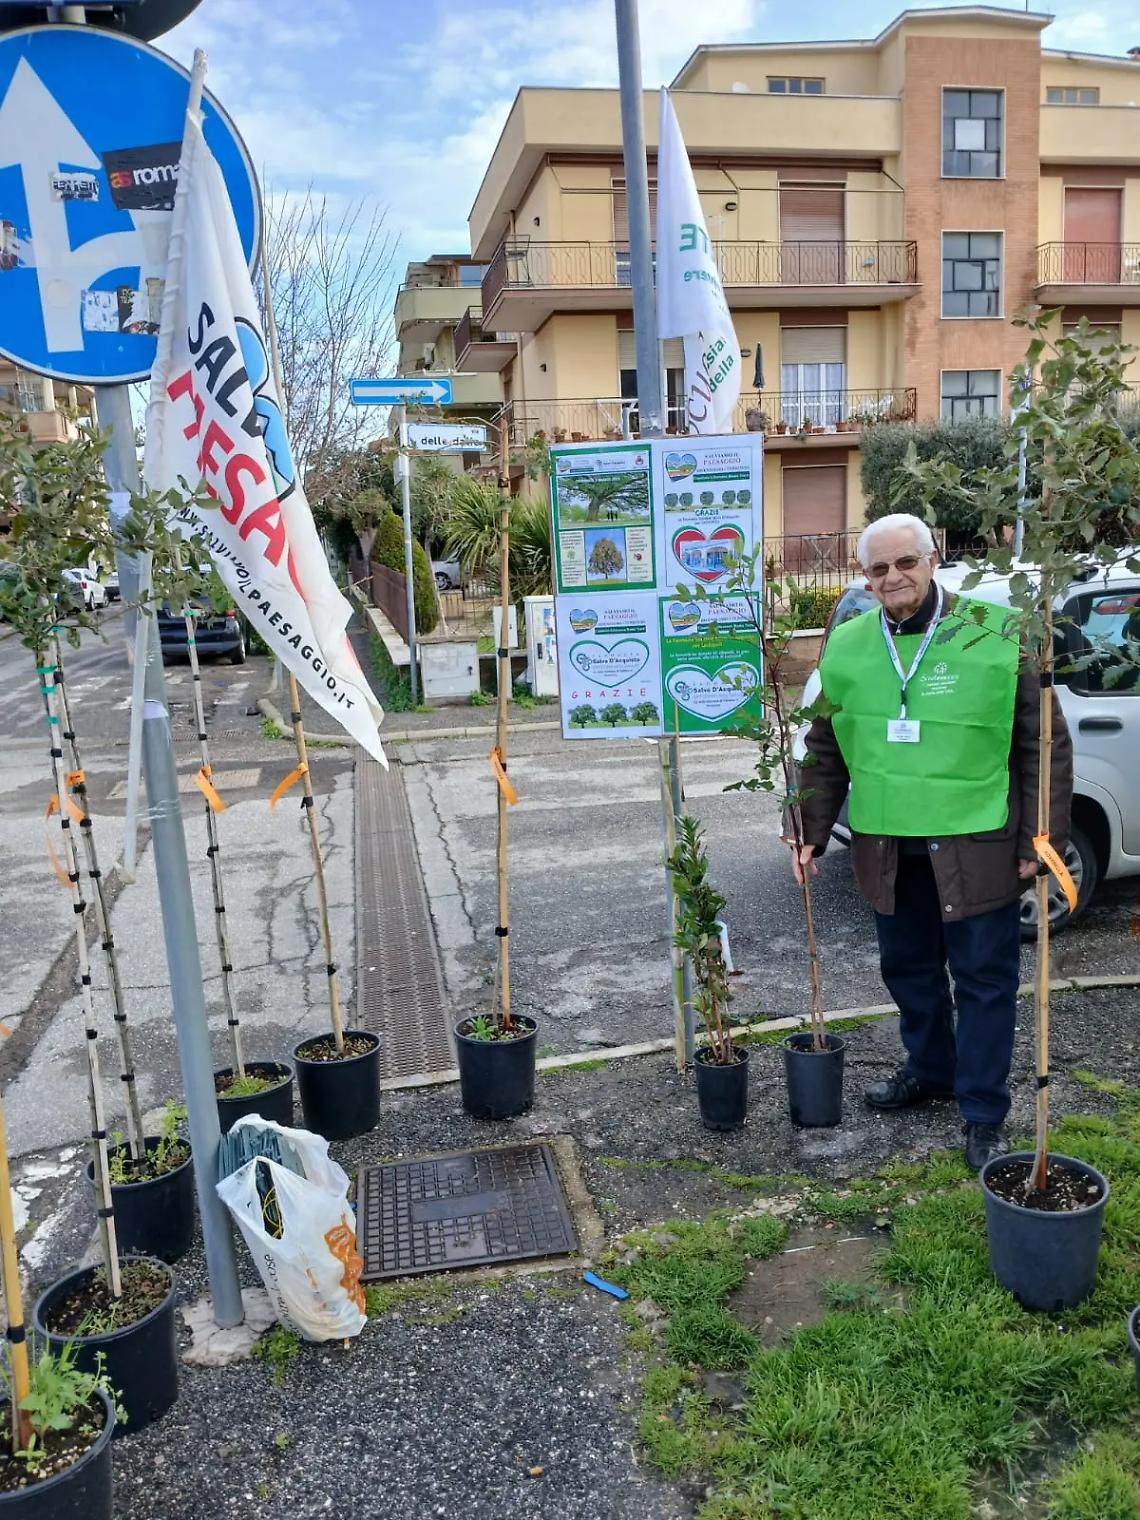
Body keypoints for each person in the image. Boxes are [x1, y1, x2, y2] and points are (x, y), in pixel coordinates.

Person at [793, 513, 1073, 1170]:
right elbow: (825, 746)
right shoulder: (850, 643)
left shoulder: (997, 632)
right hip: (889, 847)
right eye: (878, 569)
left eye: (905, 563)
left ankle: (983, 1112)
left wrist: (1044, 835)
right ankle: (931, 1071)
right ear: (866, 577)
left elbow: (1043, 742)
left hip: (979, 846)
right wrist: (806, 826)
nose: (893, 578)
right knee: (909, 973)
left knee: (983, 982)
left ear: (932, 559)